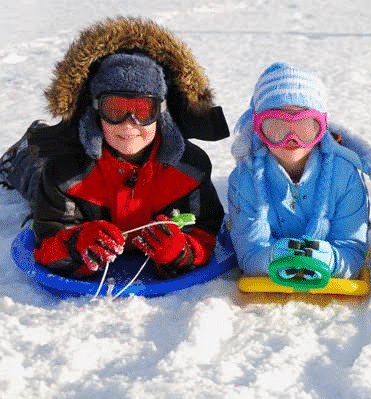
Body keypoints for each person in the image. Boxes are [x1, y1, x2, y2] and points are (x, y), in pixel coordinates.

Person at [0, 17, 230, 280]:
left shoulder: (190, 168)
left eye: (143, 111)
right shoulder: (66, 171)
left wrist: (180, 252)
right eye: (116, 110)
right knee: (36, 175)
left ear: (161, 113)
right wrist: (76, 244)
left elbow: (206, 230)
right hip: (66, 170)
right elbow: (47, 241)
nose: (129, 124)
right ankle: (19, 153)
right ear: (97, 111)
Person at [228, 62, 371, 284]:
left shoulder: (346, 175)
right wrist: (272, 257)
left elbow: (352, 250)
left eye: (305, 127)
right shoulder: (244, 180)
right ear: (259, 129)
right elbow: (249, 255)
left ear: (322, 127)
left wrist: (330, 260)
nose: (292, 139)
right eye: (276, 127)